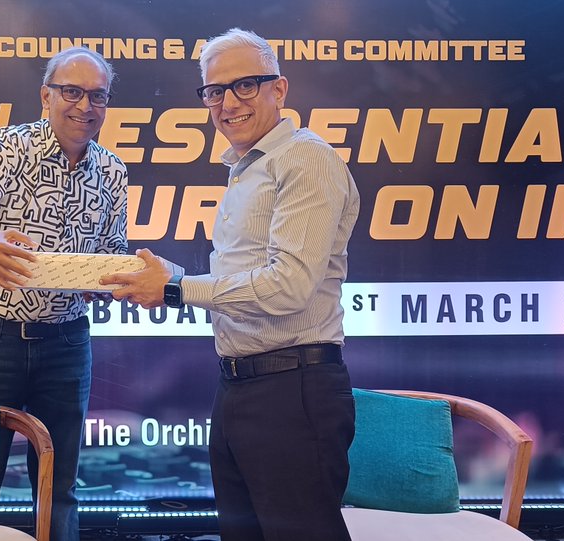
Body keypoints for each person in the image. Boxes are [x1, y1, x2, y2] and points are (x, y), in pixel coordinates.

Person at [101, 28, 359, 541]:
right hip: (240, 387)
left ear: (279, 89)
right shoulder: (248, 169)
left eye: (245, 85)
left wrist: (176, 289)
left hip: (292, 392)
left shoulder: (304, 159)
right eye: (215, 91)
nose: (228, 103)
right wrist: (167, 276)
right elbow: (242, 278)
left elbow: (289, 286)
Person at [0, 46, 126, 541]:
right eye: (72, 92)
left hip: (66, 343)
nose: (85, 106)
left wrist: (112, 279)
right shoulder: (8, 146)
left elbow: (111, 248)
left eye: (97, 96)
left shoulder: (113, 170)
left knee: (59, 485)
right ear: (46, 96)